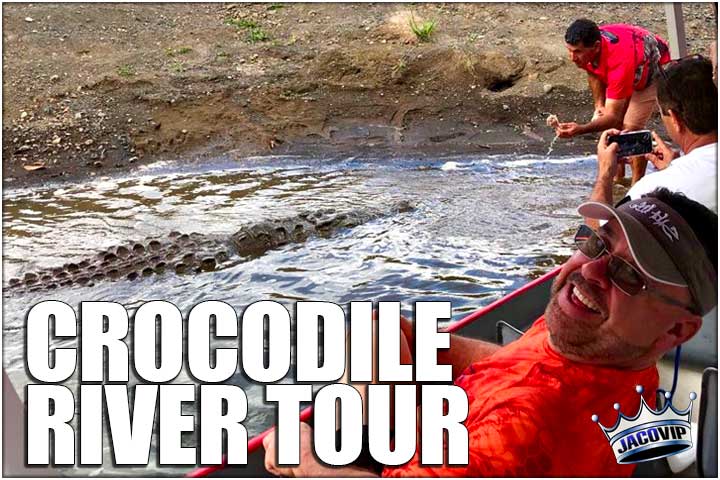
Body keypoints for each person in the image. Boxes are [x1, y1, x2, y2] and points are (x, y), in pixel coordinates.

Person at [263, 188, 718, 477]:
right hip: (453, 432)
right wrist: (408, 349)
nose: (590, 271)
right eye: (598, 243)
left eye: (630, 277)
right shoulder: (595, 343)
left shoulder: (522, 432)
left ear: (677, 330)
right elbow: (525, 361)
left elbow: (529, 410)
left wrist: (305, 458)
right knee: (374, 328)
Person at [589, 55, 717, 221]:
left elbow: (601, 235)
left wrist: (605, 174)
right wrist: (672, 168)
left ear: (675, 119)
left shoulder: (653, 189)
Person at [556, 19, 671, 185]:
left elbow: (614, 117)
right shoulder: (588, 50)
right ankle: (617, 181)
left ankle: (636, 186)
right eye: (569, 50)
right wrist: (599, 106)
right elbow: (593, 71)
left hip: (653, 68)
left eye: (577, 52)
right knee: (611, 128)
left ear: (596, 47)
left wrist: (580, 129)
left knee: (630, 130)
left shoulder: (619, 61)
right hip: (630, 58)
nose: (572, 57)